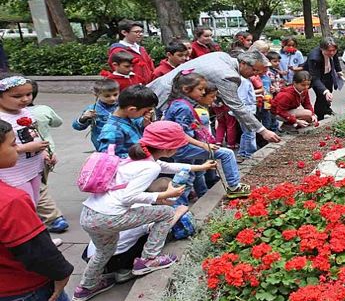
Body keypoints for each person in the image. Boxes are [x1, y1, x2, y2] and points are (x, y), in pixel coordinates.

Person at [72, 121, 216, 301]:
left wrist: (201, 167)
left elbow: (168, 167)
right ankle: (149, 260)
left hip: (89, 215)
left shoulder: (133, 160)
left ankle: (85, 287)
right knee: (165, 212)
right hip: (110, 217)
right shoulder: (151, 167)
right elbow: (129, 197)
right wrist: (164, 194)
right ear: (168, 148)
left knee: (104, 251)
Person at [0, 119, 74, 301]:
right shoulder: (10, 200)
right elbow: (35, 249)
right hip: (21, 289)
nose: (17, 148)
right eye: (13, 143)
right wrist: (62, 273)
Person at [148, 50, 281, 146]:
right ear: (244, 63)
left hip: (164, 88)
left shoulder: (222, 56)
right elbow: (237, 107)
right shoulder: (228, 75)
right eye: (255, 70)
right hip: (167, 96)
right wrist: (262, 131)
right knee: (163, 132)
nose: (255, 75)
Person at [81, 178, 190, 285]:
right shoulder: (148, 211)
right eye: (174, 199)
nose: (175, 203)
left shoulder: (134, 201)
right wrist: (179, 212)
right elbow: (163, 227)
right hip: (111, 261)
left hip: (92, 255)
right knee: (158, 232)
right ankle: (135, 265)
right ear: (164, 199)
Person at [162, 72, 250, 200]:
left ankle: (180, 203)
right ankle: (234, 187)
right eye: (200, 89)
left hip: (180, 147)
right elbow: (179, 133)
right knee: (227, 154)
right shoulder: (183, 107)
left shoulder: (178, 103)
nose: (203, 93)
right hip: (182, 147)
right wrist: (203, 145)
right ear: (186, 89)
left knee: (187, 176)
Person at [28, 81, 69, 234]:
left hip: (36, 154)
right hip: (48, 152)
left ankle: (53, 218)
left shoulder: (20, 115)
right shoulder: (43, 110)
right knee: (39, 184)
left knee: (39, 187)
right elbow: (57, 122)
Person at [0, 75, 48, 204]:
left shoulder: (24, 111)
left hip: (33, 167)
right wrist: (25, 148)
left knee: (35, 202)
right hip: (12, 172)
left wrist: (43, 152)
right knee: (24, 203)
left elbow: (33, 133)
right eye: (17, 96)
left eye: (29, 94)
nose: (25, 99)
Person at [97, 85, 158, 159]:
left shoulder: (130, 117)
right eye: (146, 111)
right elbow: (107, 157)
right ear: (132, 109)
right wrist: (138, 156)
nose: (147, 113)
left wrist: (144, 124)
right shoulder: (113, 130)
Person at [73, 79, 120, 151]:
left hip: (122, 143)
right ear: (96, 95)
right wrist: (83, 118)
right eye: (107, 96)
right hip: (102, 145)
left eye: (115, 94)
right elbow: (77, 126)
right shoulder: (92, 109)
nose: (112, 98)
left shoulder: (123, 107)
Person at [306, 37, 344, 120]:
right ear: (322, 49)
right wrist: (325, 91)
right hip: (317, 76)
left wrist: (338, 70)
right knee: (321, 95)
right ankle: (319, 116)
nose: (332, 53)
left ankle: (327, 109)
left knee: (329, 93)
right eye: (329, 51)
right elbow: (315, 78)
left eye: (334, 50)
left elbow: (335, 59)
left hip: (328, 73)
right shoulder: (314, 58)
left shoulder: (333, 52)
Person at [107, 20, 155, 84]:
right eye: (136, 32)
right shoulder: (117, 50)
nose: (140, 34)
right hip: (131, 87)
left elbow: (150, 66)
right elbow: (118, 72)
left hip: (148, 85)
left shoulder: (141, 49)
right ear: (124, 32)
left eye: (141, 32)